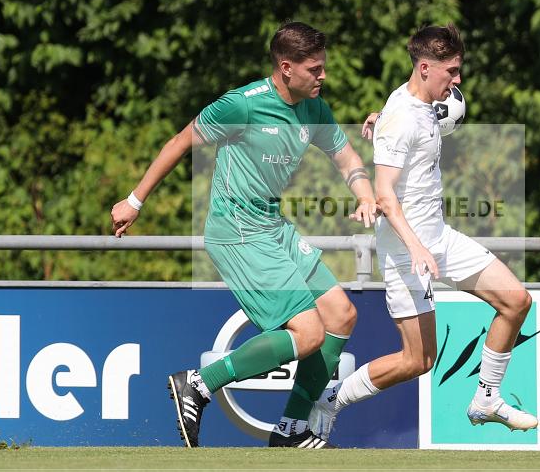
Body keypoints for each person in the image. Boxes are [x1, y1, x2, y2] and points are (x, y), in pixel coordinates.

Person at [111, 22, 377, 449]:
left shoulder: (315, 108)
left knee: (341, 316)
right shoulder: (243, 105)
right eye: (315, 69)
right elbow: (180, 141)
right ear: (286, 68)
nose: (323, 76)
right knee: (308, 334)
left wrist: (365, 194)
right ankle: (199, 382)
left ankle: (291, 429)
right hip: (237, 230)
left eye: (324, 67)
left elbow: (346, 160)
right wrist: (134, 201)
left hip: (274, 227)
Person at [308, 24, 536, 441]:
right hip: (405, 252)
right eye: (452, 71)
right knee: (418, 360)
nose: (458, 79)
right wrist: (415, 248)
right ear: (426, 67)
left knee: (516, 301)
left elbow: (417, 123)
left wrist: (380, 121)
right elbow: (383, 195)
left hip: (441, 240)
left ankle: (486, 398)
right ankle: (330, 399)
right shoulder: (400, 119)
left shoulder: (424, 104)